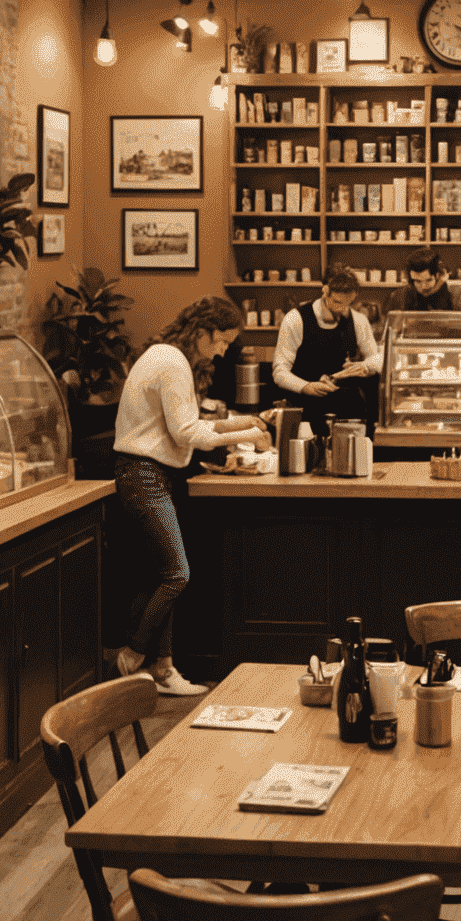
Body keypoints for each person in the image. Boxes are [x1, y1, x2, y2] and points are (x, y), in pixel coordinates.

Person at [114, 296, 268, 695]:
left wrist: (240, 423)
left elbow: (186, 423)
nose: (221, 351)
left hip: (149, 473)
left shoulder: (167, 355)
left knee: (159, 575)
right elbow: (187, 433)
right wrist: (249, 434)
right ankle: (131, 654)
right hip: (143, 474)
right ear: (204, 331)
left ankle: (164, 671)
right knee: (177, 574)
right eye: (221, 341)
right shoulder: (172, 362)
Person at [273, 265, 383, 428]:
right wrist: (305, 387)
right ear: (325, 291)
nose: (342, 309)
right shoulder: (296, 319)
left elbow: (376, 358)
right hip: (306, 410)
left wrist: (366, 367)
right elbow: (280, 371)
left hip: (348, 410)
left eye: (348, 303)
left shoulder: (358, 320)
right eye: (337, 302)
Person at [386, 248, 461, 313]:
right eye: (418, 281)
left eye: (428, 280)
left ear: (437, 275)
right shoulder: (398, 297)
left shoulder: (458, 297)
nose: (423, 286)